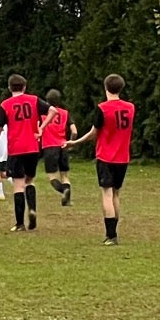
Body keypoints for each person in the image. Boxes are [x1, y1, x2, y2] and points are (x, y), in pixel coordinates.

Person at [68, 74, 135, 245]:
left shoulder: (103, 108)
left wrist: (75, 142)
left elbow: (93, 133)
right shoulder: (130, 108)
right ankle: (114, 231)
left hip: (106, 156)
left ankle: (111, 235)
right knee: (116, 194)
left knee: (106, 193)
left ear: (106, 88)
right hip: (123, 157)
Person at [0, 74, 44, 232]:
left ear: (9, 88)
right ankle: (33, 209)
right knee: (30, 181)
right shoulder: (34, 100)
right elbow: (53, 111)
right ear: (25, 87)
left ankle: (20, 223)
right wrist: (42, 128)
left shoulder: (6, 105)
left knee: (17, 185)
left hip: (16, 148)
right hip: (32, 147)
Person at [39, 88, 73, 206]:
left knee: (52, 176)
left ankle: (64, 191)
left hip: (49, 146)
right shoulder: (65, 113)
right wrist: (71, 142)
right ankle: (67, 200)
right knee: (64, 175)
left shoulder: (43, 114)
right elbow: (74, 130)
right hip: (63, 145)